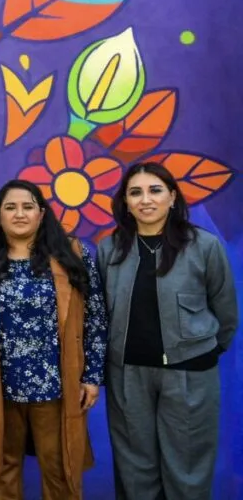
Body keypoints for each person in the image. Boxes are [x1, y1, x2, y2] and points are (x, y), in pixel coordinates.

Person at [0, 179, 107, 500]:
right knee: (0, 470)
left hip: (56, 386)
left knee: (60, 468)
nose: (19, 214)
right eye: (10, 207)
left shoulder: (72, 255)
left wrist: (91, 376)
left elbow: (96, 317)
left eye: (28, 206)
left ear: (42, 213)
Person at [99, 162, 238, 499]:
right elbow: (99, 313)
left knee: (187, 469)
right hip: (128, 374)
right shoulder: (109, 249)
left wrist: (200, 352)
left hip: (189, 374)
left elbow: (226, 313)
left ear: (172, 197)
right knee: (135, 469)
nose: (146, 199)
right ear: (126, 202)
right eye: (136, 192)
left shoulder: (204, 246)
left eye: (155, 190)